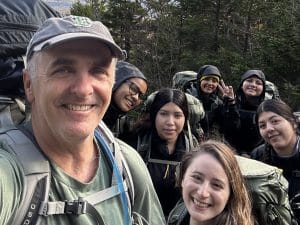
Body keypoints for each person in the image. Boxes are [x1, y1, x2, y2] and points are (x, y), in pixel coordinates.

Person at [0, 15, 166, 225]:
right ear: (29, 84)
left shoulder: (127, 166)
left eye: (99, 71)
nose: (83, 89)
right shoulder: (9, 172)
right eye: (63, 69)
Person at [129, 88, 199, 217]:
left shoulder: (192, 148)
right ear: (154, 115)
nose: (170, 122)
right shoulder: (136, 143)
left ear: (185, 119)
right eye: (164, 114)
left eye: (177, 115)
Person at [167, 140, 254, 225]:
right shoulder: (177, 215)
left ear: (231, 194)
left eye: (216, 185)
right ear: (182, 178)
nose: (202, 193)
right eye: (197, 178)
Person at [251, 99, 300, 221]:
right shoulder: (258, 156)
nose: (269, 128)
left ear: (293, 123)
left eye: (275, 121)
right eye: (262, 126)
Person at [185, 65, 237, 140]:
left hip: (205, 141)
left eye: (214, 81)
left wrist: (230, 103)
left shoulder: (216, 103)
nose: (210, 83)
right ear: (199, 80)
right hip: (188, 140)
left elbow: (229, 127)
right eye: (206, 79)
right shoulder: (188, 98)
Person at [224, 69, 266, 155]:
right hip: (231, 153)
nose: (253, 85)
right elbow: (228, 130)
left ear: (263, 89)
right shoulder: (231, 103)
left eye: (258, 83)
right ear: (242, 85)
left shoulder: (267, 109)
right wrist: (230, 104)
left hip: (259, 155)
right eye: (249, 81)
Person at [103, 60, 148, 139]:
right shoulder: (88, 112)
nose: (136, 97)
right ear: (116, 81)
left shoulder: (123, 126)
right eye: (134, 89)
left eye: (141, 96)